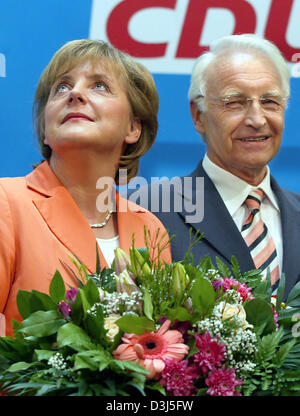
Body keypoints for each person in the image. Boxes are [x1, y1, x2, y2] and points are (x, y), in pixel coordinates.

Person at [0, 39, 171, 336]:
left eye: (100, 86)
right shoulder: (7, 202)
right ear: (45, 129)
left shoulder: (151, 229)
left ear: (133, 127)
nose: (75, 93)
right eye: (62, 87)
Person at [133, 34, 300, 298]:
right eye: (234, 102)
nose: (257, 119)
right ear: (199, 116)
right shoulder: (150, 208)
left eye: (269, 101)